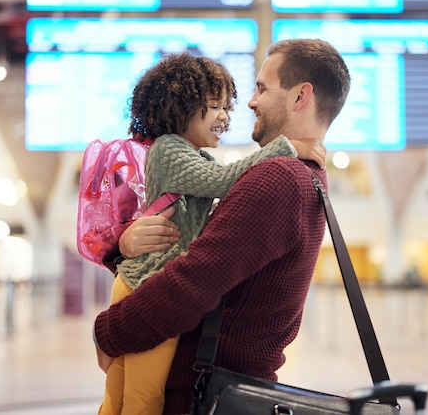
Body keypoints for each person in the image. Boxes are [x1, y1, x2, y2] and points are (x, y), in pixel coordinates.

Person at [94, 38, 351, 414]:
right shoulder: (305, 178)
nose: (250, 102)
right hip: (221, 387)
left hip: (204, 396)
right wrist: (128, 243)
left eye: (262, 88)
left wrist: (108, 332)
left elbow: (192, 282)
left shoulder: (279, 178)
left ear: (300, 97)